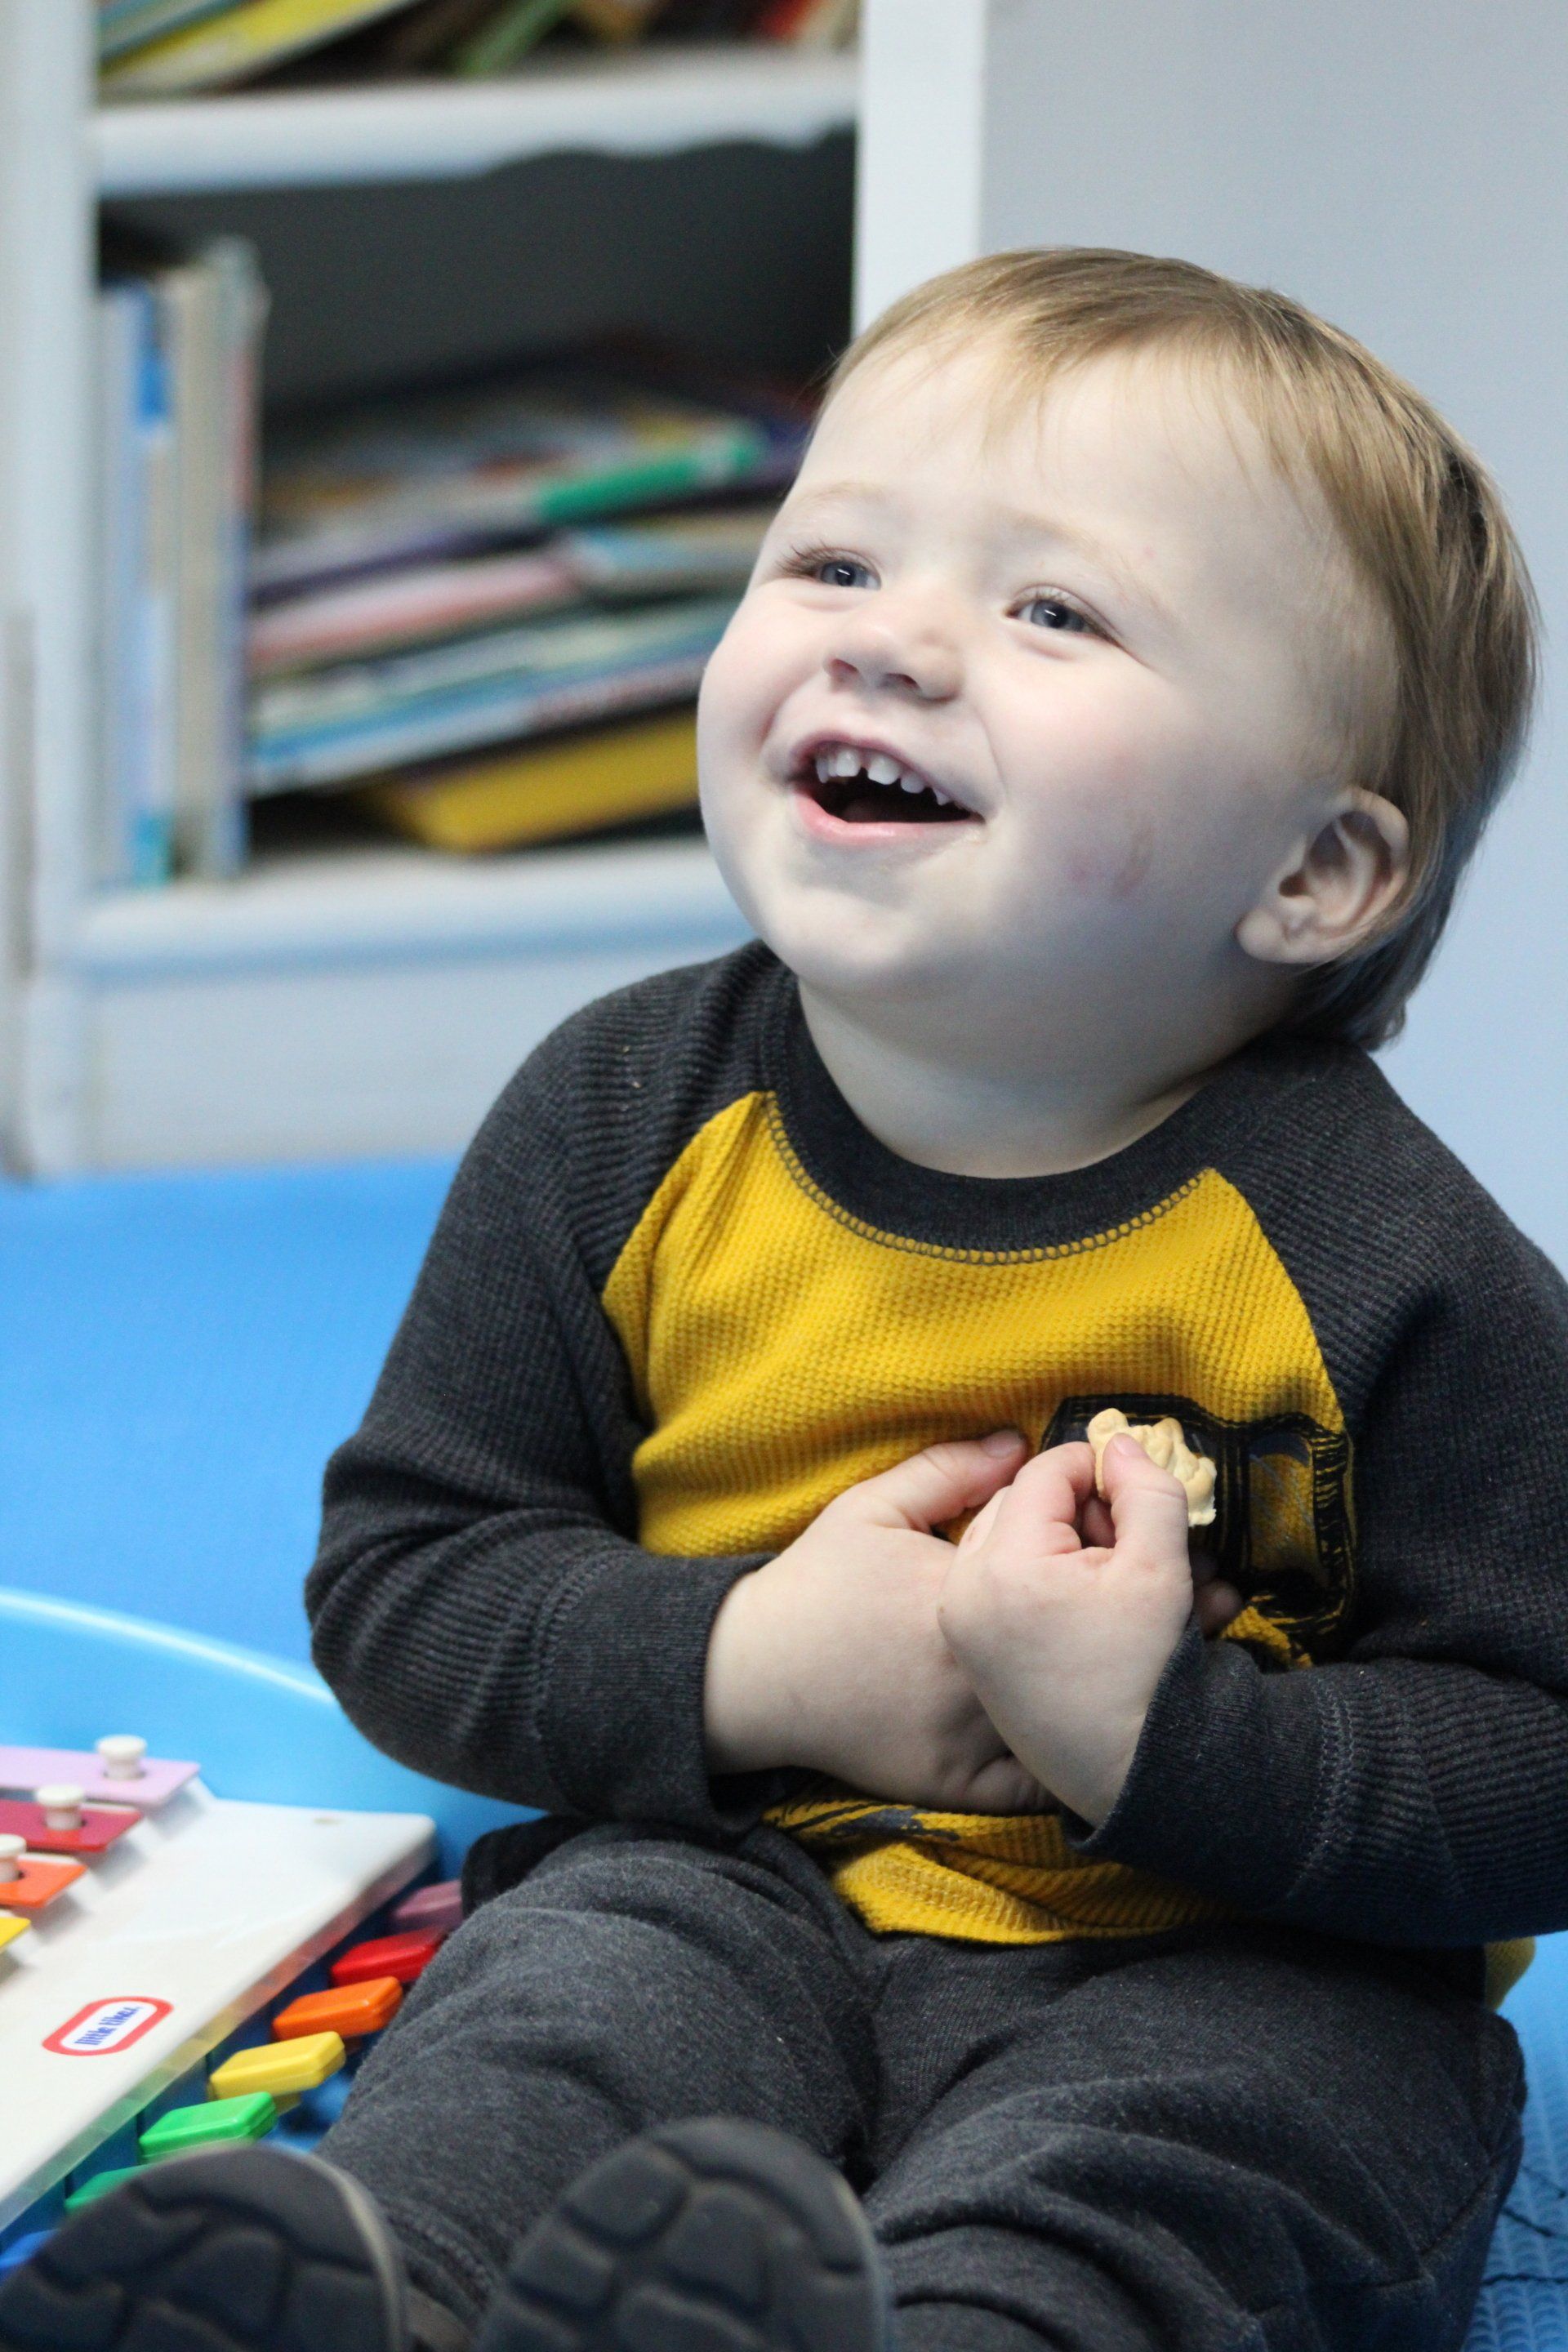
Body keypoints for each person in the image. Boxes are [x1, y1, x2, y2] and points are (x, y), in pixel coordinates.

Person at [7, 246, 1564, 2352]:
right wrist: (756, 1657)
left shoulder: (1390, 1264)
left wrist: (1157, 1738)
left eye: (1054, 611)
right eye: (833, 558)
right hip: (739, 1882)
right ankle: (405, 2303)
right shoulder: (621, 1119)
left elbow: (1534, 1768)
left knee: (1195, 2158)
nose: (896, 645)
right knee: (556, 2015)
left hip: (1234, 1964)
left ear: (1311, 877)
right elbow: (409, 1587)